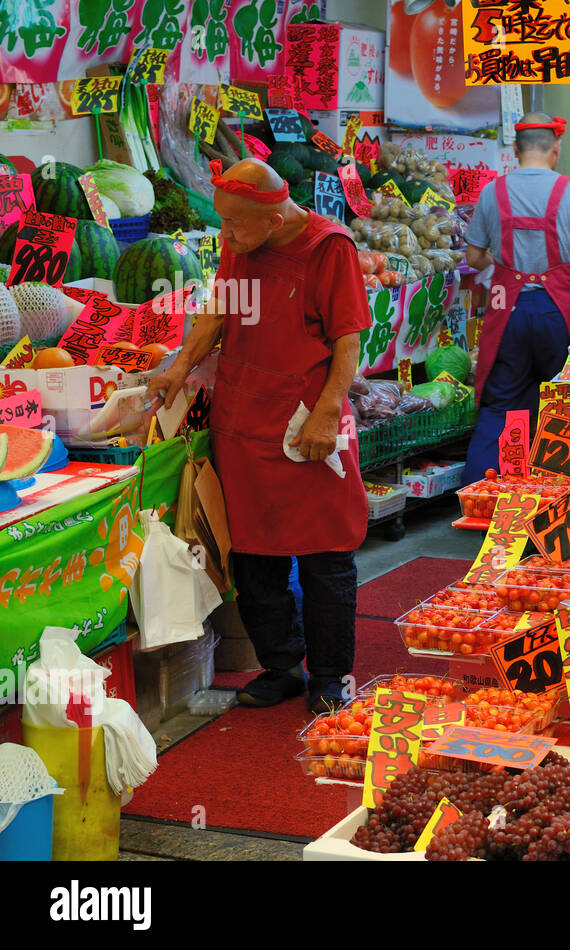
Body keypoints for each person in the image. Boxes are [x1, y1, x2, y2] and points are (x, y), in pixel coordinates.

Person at [147, 158, 371, 714]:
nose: (225, 237)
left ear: (273, 220)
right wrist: (181, 363)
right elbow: (218, 309)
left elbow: (348, 342)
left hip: (308, 425)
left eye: (234, 226)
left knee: (325, 556)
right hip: (244, 421)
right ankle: (280, 666)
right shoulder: (242, 240)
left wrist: (326, 412)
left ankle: (328, 675)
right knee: (252, 555)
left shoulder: (329, 248)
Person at [460, 112, 570, 486]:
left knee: (500, 405)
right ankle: (567, 493)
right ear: (555, 150)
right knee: (566, 406)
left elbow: (474, 258)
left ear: (515, 149)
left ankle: (480, 497)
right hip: (558, 313)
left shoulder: (492, 192)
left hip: (506, 312)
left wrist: (501, 262)